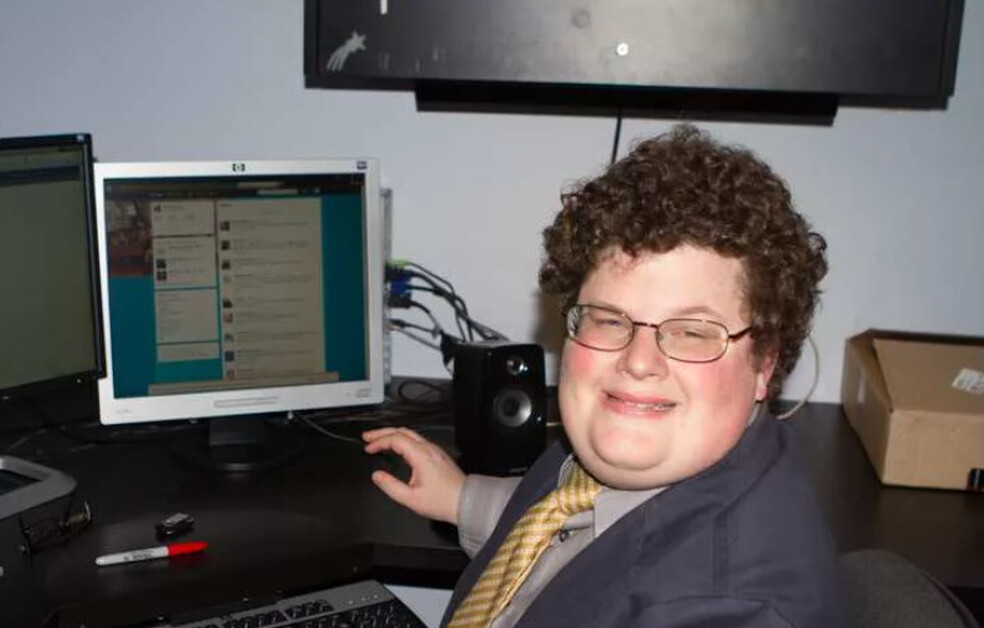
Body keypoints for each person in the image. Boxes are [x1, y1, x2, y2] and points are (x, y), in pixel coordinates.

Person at [363, 125, 849, 628]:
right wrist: (463, 499)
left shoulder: (726, 612)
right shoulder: (638, 445)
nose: (637, 361)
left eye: (691, 332)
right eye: (610, 319)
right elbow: (581, 526)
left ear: (764, 363)